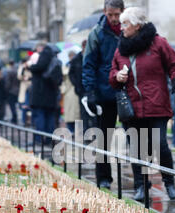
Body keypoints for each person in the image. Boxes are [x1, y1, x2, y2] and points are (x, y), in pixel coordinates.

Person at [109, 7, 175, 201]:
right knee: (136, 149)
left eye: (125, 23)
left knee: (160, 144)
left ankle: (169, 182)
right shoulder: (121, 48)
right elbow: (112, 74)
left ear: (137, 24)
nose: (122, 27)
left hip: (156, 104)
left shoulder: (158, 43)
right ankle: (141, 186)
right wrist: (117, 76)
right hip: (131, 108)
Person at [82, 0, 125, 190]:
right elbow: (89, 64)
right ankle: (104, 177)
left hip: (127, 91)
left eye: (117, 14)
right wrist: (90, 91)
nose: (114, 19)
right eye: (111, 15)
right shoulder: (97, 34)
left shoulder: (129, 30)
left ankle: (141, 180)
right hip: (104, 91)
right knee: (103, 137)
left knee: (137, 137)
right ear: (104, 12)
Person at [29, 42, 63, 144]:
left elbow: (39, 67)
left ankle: (39, 139)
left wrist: (30, 67)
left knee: (40, 116)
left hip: (41, 94)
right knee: (50, 117)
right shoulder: (54, 58)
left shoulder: (45, 55)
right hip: (51, 93)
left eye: (37, 49)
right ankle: (49, 139)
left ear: (41, 48)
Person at [70, 40, 93, 133]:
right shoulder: (76, 59)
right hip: (81, 89)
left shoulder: (92, 56)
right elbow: (71, 74)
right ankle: (85, 131)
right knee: (83, 112)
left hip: (91, 88)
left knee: (93, 110)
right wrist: (76, 84)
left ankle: (94, 131)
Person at [63, 51, 81, 133]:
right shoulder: (66, 66)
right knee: (70, 113)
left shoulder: (77, 64)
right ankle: (70, 129)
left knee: (76, 113)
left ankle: (75, 130)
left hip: (75, 91)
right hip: (68, 91)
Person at [17, 58, 33, 126]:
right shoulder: (22, 68)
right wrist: (23, 69)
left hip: (31, 89)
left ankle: (30, 121)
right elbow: (19, 76)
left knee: (29, 107)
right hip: (24, 89)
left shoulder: (32, 67)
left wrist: (29, 78)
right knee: (23, 106)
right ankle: (25, 121)